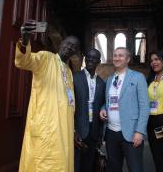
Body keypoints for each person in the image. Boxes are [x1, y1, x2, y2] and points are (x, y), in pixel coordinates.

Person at [15, 20, 80, 172]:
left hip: (65, 128)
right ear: (61, 43)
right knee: (44, 164)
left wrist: (74, 129)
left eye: (74, 47)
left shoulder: (69, 71)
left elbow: (70, 101)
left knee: (62, 164)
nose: (70, 47)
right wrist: (24, 39)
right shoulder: (46, 58)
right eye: (68, 43)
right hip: (47, 126)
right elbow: (24, 61)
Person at [99, 47, 150, 172]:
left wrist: (139, 131)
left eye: (121, 55)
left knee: (135, 168)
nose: (117, 58)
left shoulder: (138, 77)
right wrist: (103, 109)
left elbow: (144, 106)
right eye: (115, 55)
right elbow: (108, 101)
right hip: (111, 132)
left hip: (131, 132)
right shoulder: (110, 79)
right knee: (113, 168)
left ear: (127, 59)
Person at [73, 49, 106, 172]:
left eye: (94, 58)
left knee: (88, 165)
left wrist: (100, 135)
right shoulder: (74, 78)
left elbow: (103, 105)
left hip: (94, 131)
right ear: (85, 59)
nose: (91, 59)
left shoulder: (101, 83)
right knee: (75, 164)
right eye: (88, 57)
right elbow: (68, 105)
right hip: (78, 131)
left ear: (99, 61)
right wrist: (73, 130)